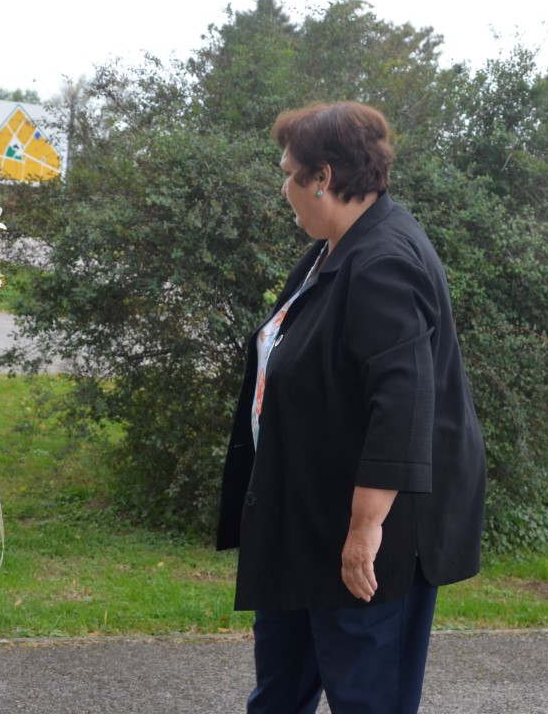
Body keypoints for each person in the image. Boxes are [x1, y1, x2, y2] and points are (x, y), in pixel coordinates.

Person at [217, 101, 487, 714]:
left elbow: (403, 407)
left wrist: (364, 533)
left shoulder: (384, 261)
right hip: (306, 519)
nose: (284, 189)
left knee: (368, 699)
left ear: (324, 177)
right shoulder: (333, 249)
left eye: (288, 174)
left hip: (367, 534)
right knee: (278, 693)